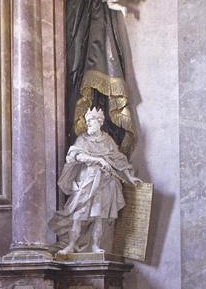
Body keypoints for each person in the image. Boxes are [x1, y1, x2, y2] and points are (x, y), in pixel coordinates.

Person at [51, 107, 143, 255]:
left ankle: (95, 246)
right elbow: (76, 155)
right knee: (78, 215)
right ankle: (71, 245)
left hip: (104, 183)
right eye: (87, 122)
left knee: (98, 217)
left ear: (100, 122)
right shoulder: (83, 139)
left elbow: (118, 159)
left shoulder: (107, 140)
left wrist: (130, 177)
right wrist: (98, 159)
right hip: (87, 181)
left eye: (91, 122)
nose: (88, 125)